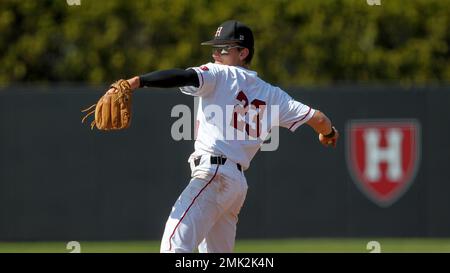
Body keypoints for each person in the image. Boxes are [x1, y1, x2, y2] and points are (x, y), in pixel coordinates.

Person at [114, 20, 339, 253]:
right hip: (236, 185)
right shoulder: (274, 95)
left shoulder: (219, 73)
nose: (215, 54)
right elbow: (320, 119)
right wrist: (328, 134)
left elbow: (183, 76)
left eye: (223, 49)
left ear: (243, 52)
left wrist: (137, 82)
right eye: (214, 48)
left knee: (173, 247)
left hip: (213, 175)